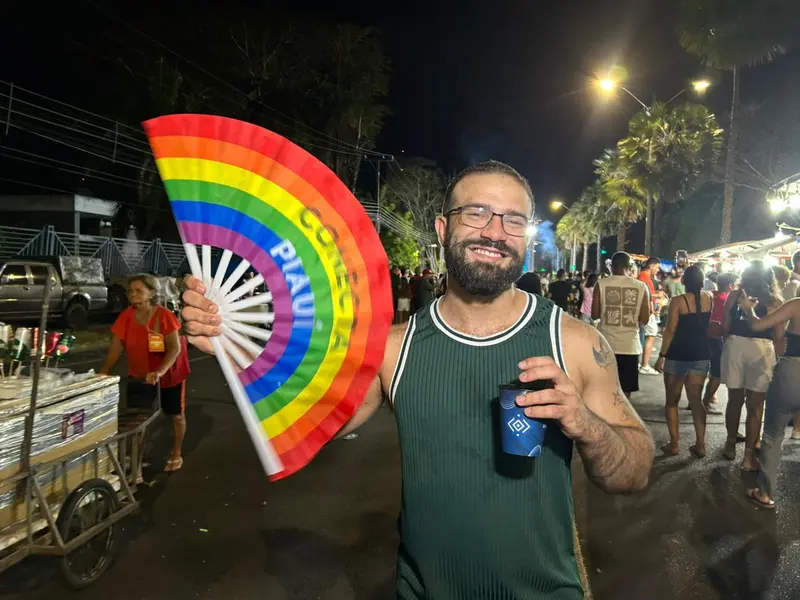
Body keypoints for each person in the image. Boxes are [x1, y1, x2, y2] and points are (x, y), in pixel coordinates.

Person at [180, 160, 654, 598]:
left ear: (525, 239)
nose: (495, 231)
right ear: (443, 228)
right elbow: (309, 428)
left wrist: (586, 424)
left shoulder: (573, 341)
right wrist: (231, 347)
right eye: (478, 213)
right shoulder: (392, 347)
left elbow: (634, 473)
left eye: (514, 219)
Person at [100, 275, 187, 474]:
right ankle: (136, 466)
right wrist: (104, 371)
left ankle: (176, 453)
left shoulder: (164, 316)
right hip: (139, 375)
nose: (132, 294)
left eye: (138, 290)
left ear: (152, 293)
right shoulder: (126, 317)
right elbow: (116, 348)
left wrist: (159, 371)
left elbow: (174, 349)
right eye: (130, 291)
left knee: (175, 415)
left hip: (168, 375)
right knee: (137, 422)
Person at [737, 293, 800, 509]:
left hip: (793, 371)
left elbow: (757, 325)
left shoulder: (796, 305)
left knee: (773, 434)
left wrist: (748, 308)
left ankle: (764, 493)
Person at [721, 261, 784, 470]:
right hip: (762, 349)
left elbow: (726, 326)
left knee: (734, 400)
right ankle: (748, 457)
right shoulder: (775, 301)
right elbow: (778, 336)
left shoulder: (735, 296)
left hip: (736, 345)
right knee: (756, 406)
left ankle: (730, 443)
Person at [654, 266, 712, 458]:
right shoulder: (708, 298)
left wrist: (661, 356)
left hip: (678, 354)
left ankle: (674, 444)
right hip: (701, 354)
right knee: (696, 401)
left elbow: (670, 330)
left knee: (672, 401)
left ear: (685, 281)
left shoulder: (678, 301)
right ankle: (701, 444)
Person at [592, 252, 651, 400]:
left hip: (607, 344)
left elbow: (594, 314)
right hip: (630, 346)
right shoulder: (641, 286)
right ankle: (623, 419)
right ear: (629, 266)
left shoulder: (601, 284)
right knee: (625, 392)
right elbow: (645, 318)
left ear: (612, 266)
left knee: (606, 388)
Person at [701, 272, 736, 414]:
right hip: (716, 338)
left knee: (701, 371)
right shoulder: (726, 299)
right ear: (730, 285)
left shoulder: (709, 295)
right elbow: (727, 322)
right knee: (717, 373)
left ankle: (696, 401)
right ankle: (705, 402)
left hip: (702, 337)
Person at [637, 257, 661, 375]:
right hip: (647, 312)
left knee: (643, 335)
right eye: (657, 267)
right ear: (651, 266)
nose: (657, 270)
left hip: (645, 311)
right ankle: (645, 365)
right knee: (651, 335)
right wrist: (653, 310)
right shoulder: (644, 278)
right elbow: (647, 297)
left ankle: (641, 363)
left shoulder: (643, 277)